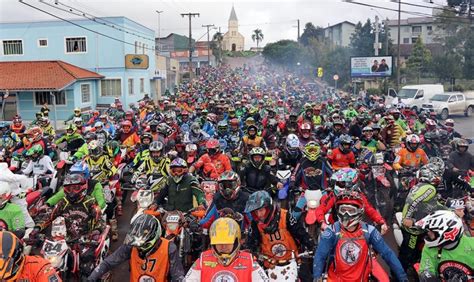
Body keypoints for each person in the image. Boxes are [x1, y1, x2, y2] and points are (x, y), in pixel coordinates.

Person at [313, 190, 407, 281]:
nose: (346, 214)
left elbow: (387, 254)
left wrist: (403, 278)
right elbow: (320, 255)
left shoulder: (369, 231)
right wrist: (317, 278)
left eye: (350, 210)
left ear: (359, 211)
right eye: (343, 210)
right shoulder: (331, 231)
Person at [87, 213, 184, 282]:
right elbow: (108, 262)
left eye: (143, 245)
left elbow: (178, 276)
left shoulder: (169, 248)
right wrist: (92, 278)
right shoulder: (132, 245)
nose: (139, 248)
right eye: (137, 245)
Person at [244, 190, 315, 279]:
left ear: (268, 208)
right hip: (270, 265)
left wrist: (311, 245)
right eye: (256, 212)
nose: (259, 215)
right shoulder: (255, 225)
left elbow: (300, 233)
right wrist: (251, 253)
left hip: (293, 261)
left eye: (261, 210)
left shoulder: (286, 216)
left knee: (308, 277)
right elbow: (251, 243)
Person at [185, 217, 269, 281]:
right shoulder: (202, 261)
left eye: (227, 243)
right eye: (219, 243)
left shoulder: (249, 262)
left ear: (236, 242)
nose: (223, 247)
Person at [399, 162, 446, 275]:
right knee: (409, 253)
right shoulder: (430, 188)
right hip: (414, 228)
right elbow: (413, 202)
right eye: (438, 174)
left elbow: (433, 203)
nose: (439, 177)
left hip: (420, 222)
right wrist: (408, 218)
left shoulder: (420, 185)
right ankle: (399, 274)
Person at [416, 210, 473, 281]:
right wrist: (427, 276)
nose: (428, 234)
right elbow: (426, 270)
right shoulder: (429, 248)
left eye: (432, 232)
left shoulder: (471, 245)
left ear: (446, 233)